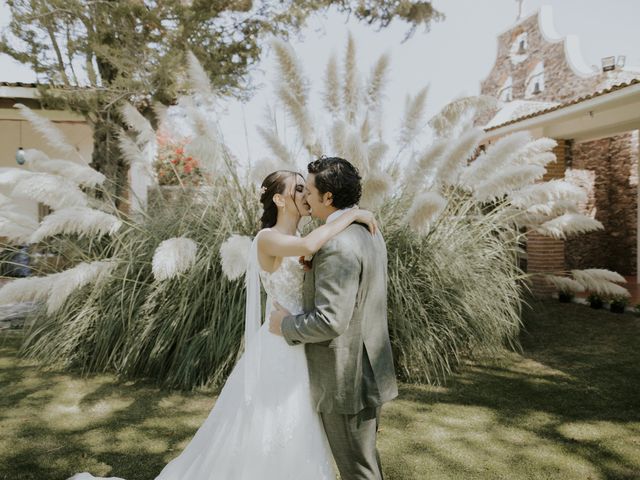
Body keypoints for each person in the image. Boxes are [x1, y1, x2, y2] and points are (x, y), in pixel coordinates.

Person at [67, 168, 378, 480]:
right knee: (267, 423)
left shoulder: (298, 237)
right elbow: (310, 248)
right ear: (280, 199)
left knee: (299, 422)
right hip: (279, 343)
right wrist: (350, 217)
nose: (305, 195)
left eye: (305, 189)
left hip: (302, 339)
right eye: (298, 189)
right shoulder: (267, 239)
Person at [269, 157, 398, 480]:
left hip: (347, 379)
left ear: (328, 198)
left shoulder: (337, 244)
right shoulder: (367, 230)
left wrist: (284, 325)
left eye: (309, 190)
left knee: (358, 471)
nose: (305, 197)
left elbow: (330, 321)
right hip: (367, 369)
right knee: (364, 463)